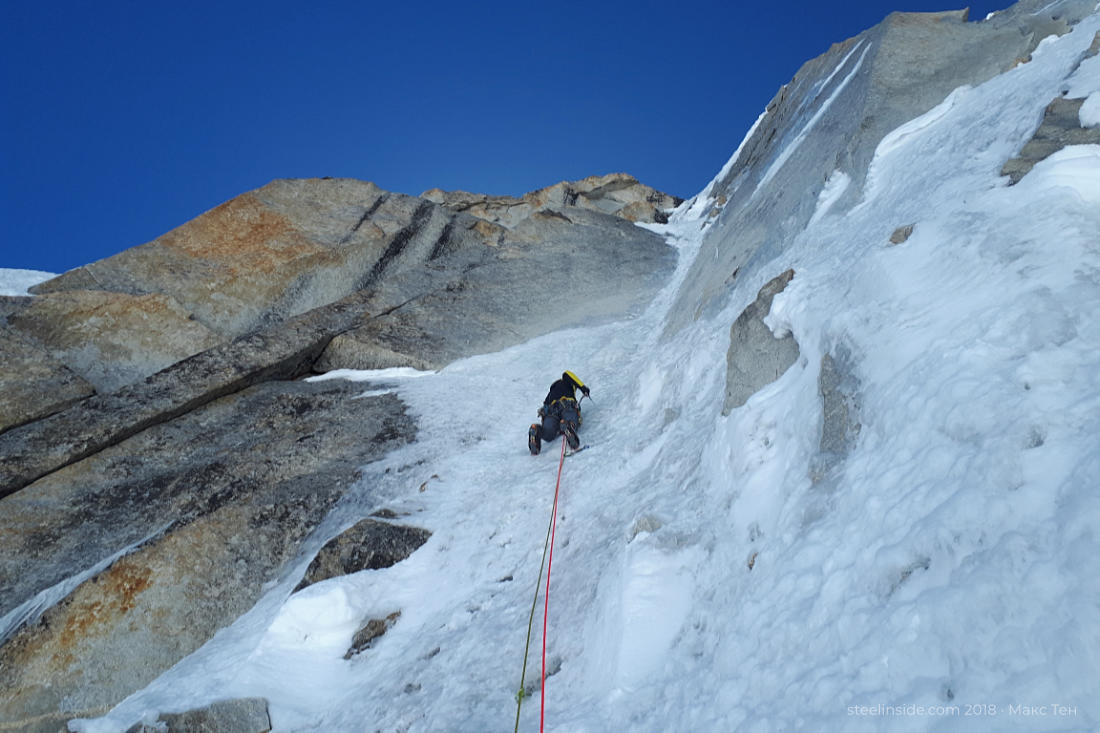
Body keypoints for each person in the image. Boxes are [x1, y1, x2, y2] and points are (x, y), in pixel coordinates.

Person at [528, 371, 590, 455]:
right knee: (572, 421)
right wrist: (583, 388)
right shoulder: (566, 381)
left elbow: (545, 408)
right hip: (566, 404)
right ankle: (567, 425)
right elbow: (567, 374)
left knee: (549, 433)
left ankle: (537, 430)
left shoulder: (550, 395)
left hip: (551, 409)